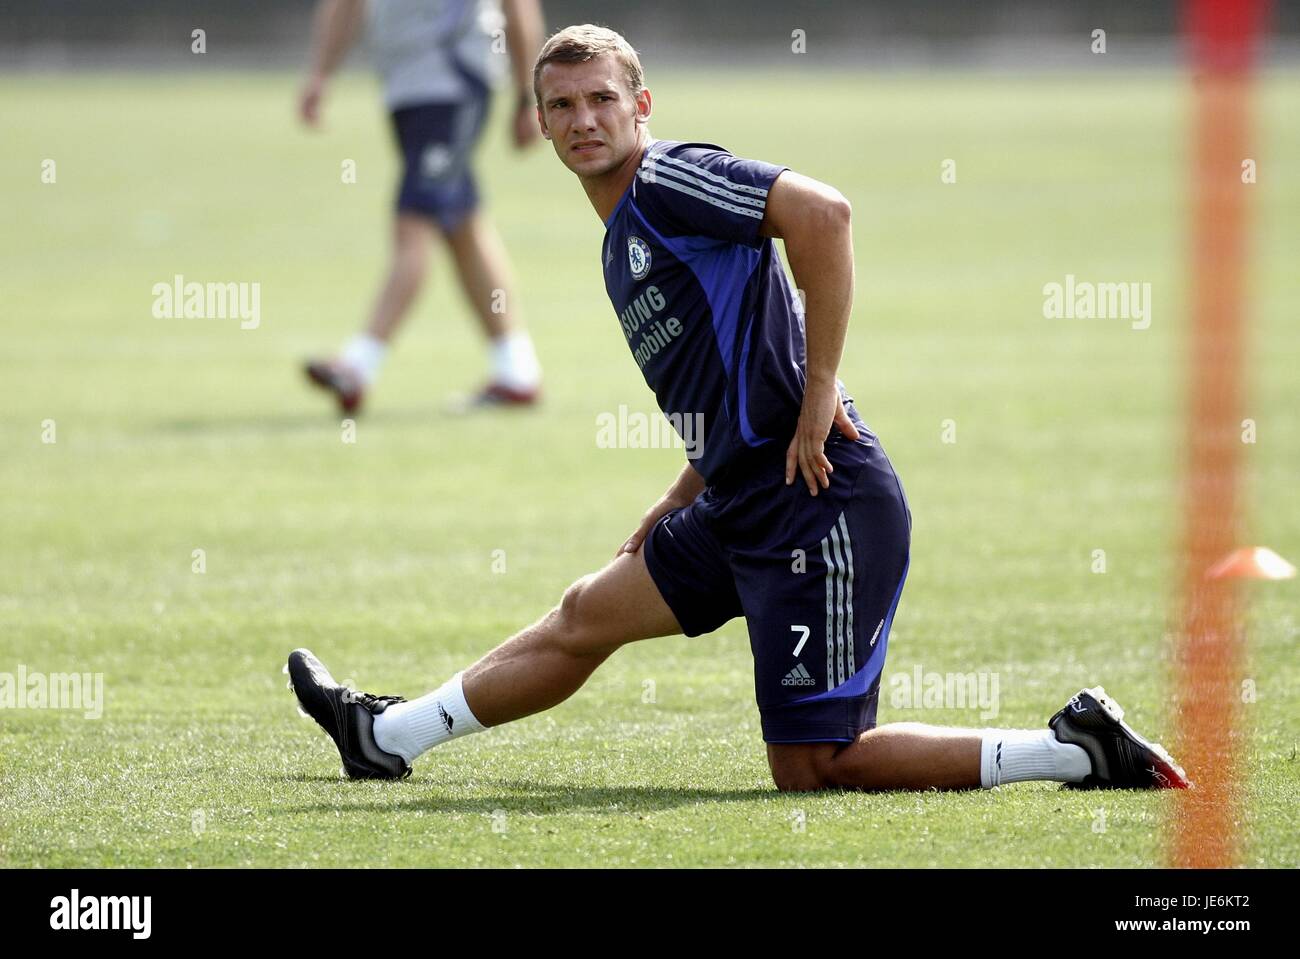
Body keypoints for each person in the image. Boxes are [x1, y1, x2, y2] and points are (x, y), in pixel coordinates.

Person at [287, 24, 1190, 793]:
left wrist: (824, 387)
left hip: (817, 494)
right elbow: (735, 375)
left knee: (813, 766)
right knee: (584, 615)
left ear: (642, 107)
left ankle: (1071, 750)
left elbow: (824, 215)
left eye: (602, 99)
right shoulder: (620, 241)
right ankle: (387, 737)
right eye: (561, 106)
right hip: (738, 496)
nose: (583, 120)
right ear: (539, 123)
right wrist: (683, 491)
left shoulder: (672, 178)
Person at [298, 0, 545, 413]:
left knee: (414, 223)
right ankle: (517, 371)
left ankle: (359, 366)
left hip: (454, 84)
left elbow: (517, 7)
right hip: (407, 92)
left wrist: (527, 96)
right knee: (462, 225)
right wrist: (321, 72)